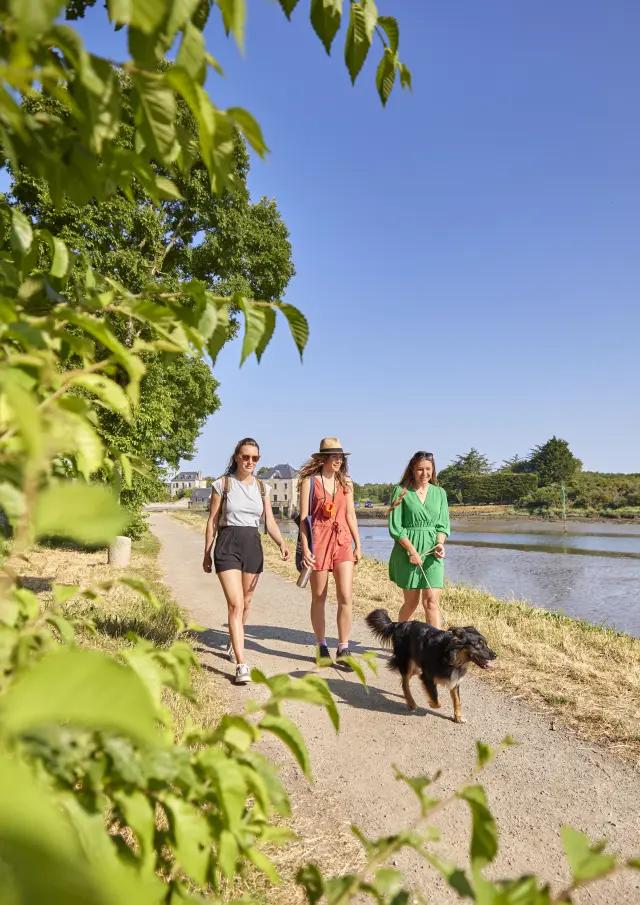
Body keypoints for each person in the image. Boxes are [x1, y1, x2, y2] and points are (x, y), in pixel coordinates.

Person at [203, 437, 289, 685]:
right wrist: (207, 552)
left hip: (252, 545)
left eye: (255, 458)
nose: (250, 461)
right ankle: (241, 664)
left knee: (247, 602)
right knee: (235, 604)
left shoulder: (262, 488)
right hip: (227, 544)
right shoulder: (223, 484)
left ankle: (234, 640)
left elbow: (269, 522)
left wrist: (281, 543)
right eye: (246, 456)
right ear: (237, 457)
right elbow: (212, 520)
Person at [299, 437, 362, 665]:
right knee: (319, 597)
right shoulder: (309, 482)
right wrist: (306, 548)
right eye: (334, 456)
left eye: (340, 457)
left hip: (342, 540)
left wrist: (358, 544)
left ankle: (344, 648)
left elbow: (350, 514)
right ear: (323, 458)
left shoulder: (346, 482)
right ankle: (321, 645)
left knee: (345, 595)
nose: (338, 460)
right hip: (318, 541)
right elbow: (304, 519)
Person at [388, 451, 450, 628]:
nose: (425, 473)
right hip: (407, 551)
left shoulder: (440, 493)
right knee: (411, 603)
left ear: (433, 469)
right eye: (420, 469)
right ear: (412, 470)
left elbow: (443, 525)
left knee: (431, 602)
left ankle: (435, 643)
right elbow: (395, 527)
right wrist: (412, 551)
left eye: (428, 469)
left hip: (432, 553)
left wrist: (440, 544)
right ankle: (398, 638)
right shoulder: (401, 491)